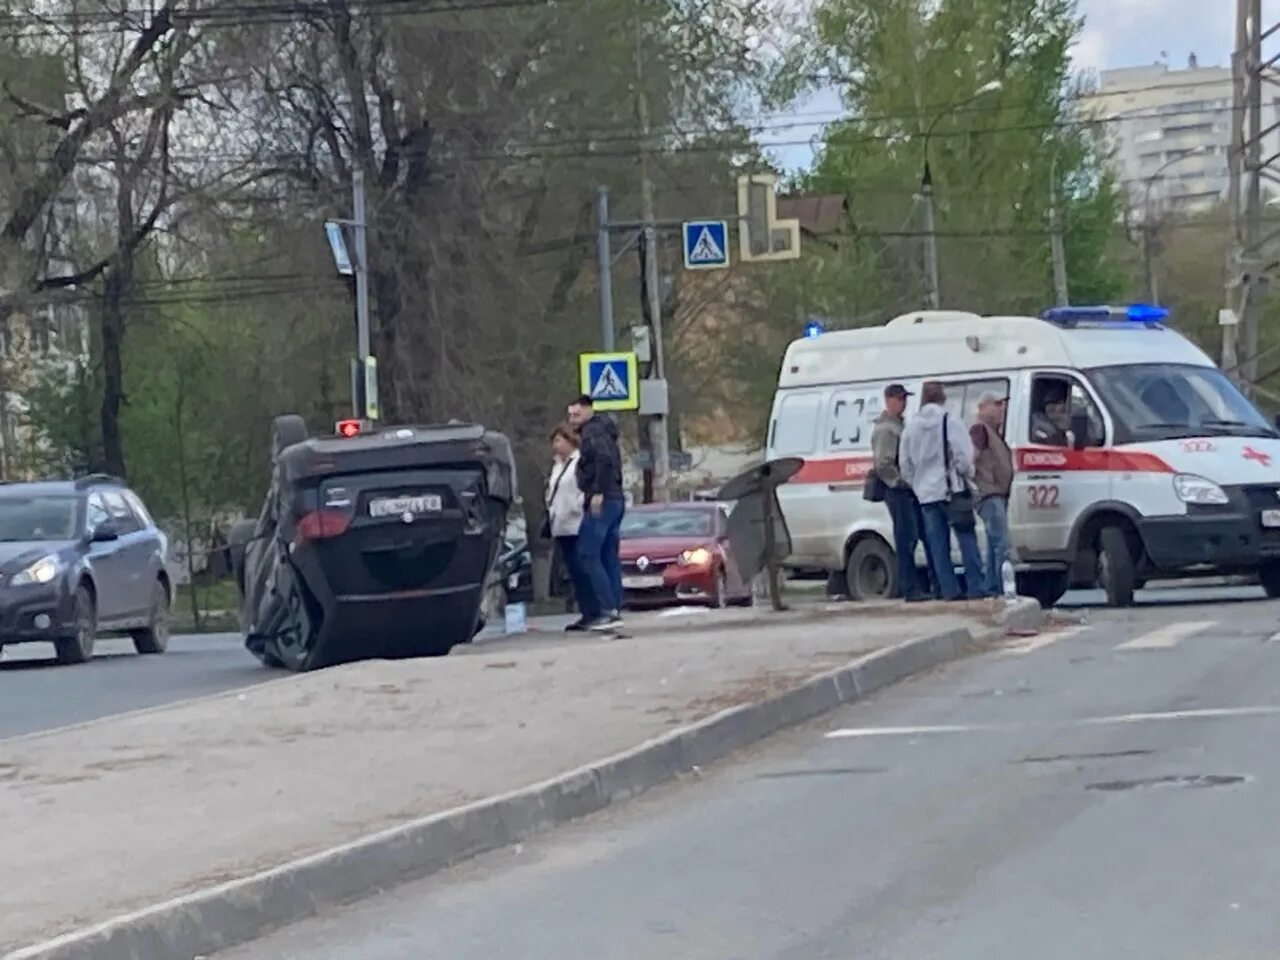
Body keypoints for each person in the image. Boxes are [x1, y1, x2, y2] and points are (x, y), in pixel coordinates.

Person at [900, 381, 985, 601]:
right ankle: (975, 588)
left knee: (938, 547)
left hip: (926, 495)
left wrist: (918, 486)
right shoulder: (950, 421)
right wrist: (966, 473)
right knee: (966, 539)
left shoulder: (911, 428)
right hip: (952, 490)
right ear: (943, 398)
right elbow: (964, 457)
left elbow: (905, 464)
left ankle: (949, 591)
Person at [567, 395, 625, 630]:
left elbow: (604, 460)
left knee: (587, 553)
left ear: (589, 410)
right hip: (615, 499)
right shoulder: (602, 430)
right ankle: (614, 608)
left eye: (576, 414)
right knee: (607, 554)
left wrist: (598, 491)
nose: (572, 419)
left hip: (603, 499)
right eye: (570, 415)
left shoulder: (593, 433)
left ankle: (606, 609)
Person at [870, 383, 930, 601]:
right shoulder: (886, 428)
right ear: (888, 400)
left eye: (904, 399)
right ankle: (909, 588)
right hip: (896, 490)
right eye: (898, 399)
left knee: (911, 536)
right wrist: (900, 482)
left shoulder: (898, 425)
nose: (902, 403)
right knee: (905, 538)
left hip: (903, 489)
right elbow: (884, 463)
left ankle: (913, 586)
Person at [546, 425, 591, 627]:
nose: (555, 446)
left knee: (583, 569)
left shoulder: (578, 462)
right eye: (553, 442)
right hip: (561, 525)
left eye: (559, 441)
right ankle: (584, 611)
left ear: (570, 441)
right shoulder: (557, 465)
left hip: (576, 522)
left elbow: (583, 488)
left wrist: (576, 507)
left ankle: (594, 611)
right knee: (573, 571)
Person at [970, 393, 1014, 597]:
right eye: (996, 405)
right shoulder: (980, 430)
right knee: (1001, 543)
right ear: (982, 407)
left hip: (996, 493)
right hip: (989, 494)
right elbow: (971, 460)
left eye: (1002, 405)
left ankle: (992, 587)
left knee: (993, 543)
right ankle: (1000, 587)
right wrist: (977, 484)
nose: (1001, 409)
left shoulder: (993, 432)